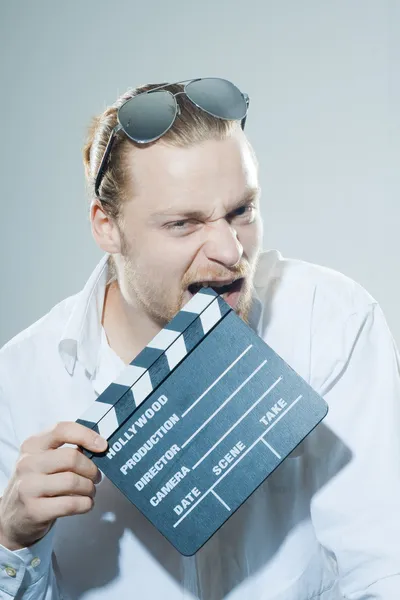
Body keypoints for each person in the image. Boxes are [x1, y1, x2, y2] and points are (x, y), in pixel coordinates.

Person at [0, 78, 399, 600]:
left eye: (242, 211)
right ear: (106, 226)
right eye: (184, 224)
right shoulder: (20, 379)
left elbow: (382, 566)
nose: (231, 251)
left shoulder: (330, 320)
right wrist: (11, 541)